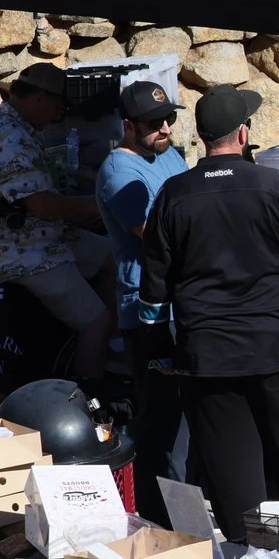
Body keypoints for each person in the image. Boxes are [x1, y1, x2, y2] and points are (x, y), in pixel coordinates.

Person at [137, 86, 279, 538]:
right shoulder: (274, 186)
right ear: (243, 134)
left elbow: (152, 297)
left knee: (231, 471)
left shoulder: (172, 194)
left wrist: (163, 353)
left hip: (207, 360)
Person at [0, 62, 114, 385]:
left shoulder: (20, 129)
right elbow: (41, 205)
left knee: (110, 257)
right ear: (39, 99)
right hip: (16, 250)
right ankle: (90, 399)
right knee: (96, 320)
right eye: (59, 107)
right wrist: (98, 207)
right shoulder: (5, 136)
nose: (58, 116)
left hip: (41, 235)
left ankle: (110, 355)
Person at [94, 79, 189, 517]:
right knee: (160, 418)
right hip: (147, 310)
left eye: (168, 118)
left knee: (184, 417)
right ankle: (158, 514)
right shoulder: (119, 173)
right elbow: (155, 237)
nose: (165, 127)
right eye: (153, 123)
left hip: (182, 301)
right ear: (128, 125)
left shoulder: (168, 153)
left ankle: (184, 503)